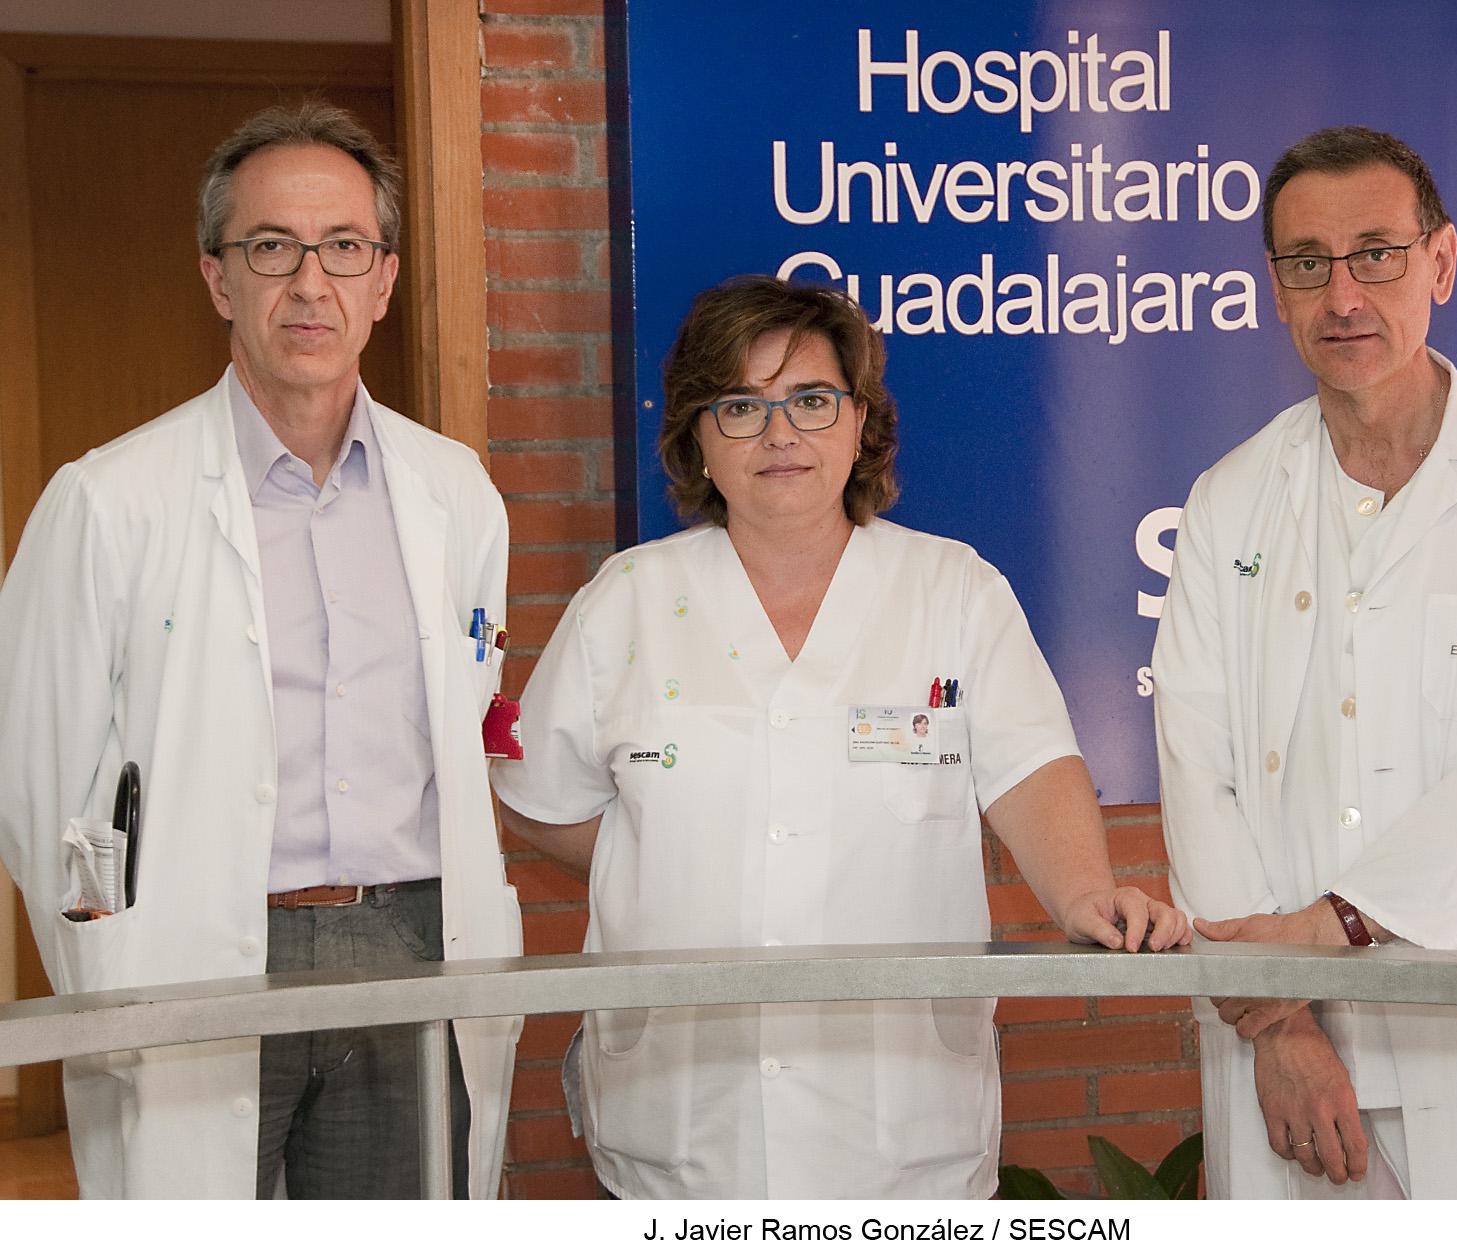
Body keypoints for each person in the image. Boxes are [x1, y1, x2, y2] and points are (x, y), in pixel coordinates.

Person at [492, 275, 1191, 1199]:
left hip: (902, 1135)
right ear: (698, 437)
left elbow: (1031, 769)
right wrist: (664, 855)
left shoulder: (954, 590)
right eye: (741, 406)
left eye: (812, 400)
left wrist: (1085, 893)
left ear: (860, 422)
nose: (779, 433)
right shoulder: (625, 601)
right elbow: (540, 801)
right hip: (685, 1129)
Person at [0, 102, 521, 1198]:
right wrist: (110, 966)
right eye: (272, 247)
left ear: (385, 281)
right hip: (197, 948)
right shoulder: (107, 500)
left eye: (345, 247)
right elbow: (35, 780)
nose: (310, 283)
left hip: (411, 944)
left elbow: (464, 722)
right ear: (218, 279)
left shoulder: (457, 492)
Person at [1152, 126, 1457, 1198]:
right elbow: (1198, 767)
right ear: (1274, 288)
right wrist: (1278, 1016)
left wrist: (1340, 926)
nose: (1343, 296)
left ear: (1441, 262)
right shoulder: (1229, 500)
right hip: (1295, 1037)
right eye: (1306, 263)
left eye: (1376, 254)